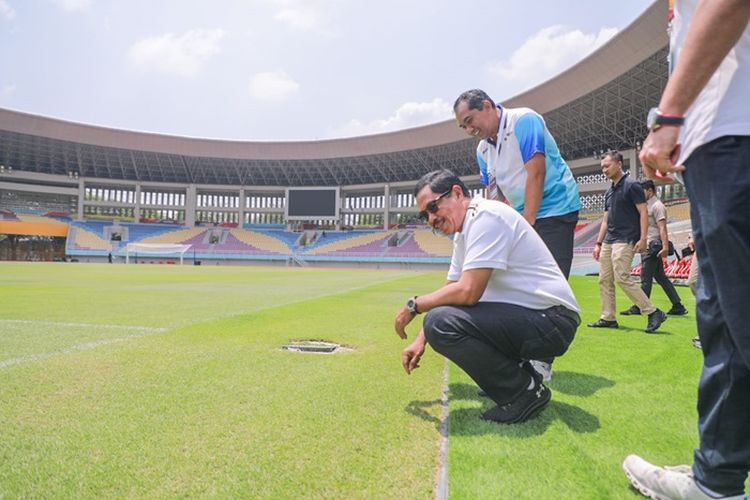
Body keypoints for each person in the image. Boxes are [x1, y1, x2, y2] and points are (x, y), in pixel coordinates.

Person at [622, 1, 750, 498]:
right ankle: (717, 477)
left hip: (734, 138)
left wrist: (668, 116)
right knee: (723, 324)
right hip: (717, 143)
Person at [394, 169, 580, 424]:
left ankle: (523, 392)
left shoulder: (486, 216)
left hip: (553, 322)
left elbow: (468, 292)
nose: (431, 219)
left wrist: (414, 306)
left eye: (433, 207)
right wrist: (420, 340)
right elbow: (451, 289)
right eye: (425, 214)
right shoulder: (465, 232)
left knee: (440, 322)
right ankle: (522, 377)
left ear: (457, 193)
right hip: (538, 318)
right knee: (439, 319)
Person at [453, 89, 581, 280]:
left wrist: (527, 223)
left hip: (556, 208)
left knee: (551, 283)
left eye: (470, 121)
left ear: (487, 106)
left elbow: (536, 173)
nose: (469, 130)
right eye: (463, 127)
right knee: (520, 283)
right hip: (521, 215)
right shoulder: (482, 150)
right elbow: (494, 194)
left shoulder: (524, 120)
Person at [588, 151, 668, 333]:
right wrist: (598, 243)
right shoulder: (609, 192)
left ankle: (653, 312)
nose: (604, 170)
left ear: (619, 164)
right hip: (609, 240)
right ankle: (608, 317)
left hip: (626, 239)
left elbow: (642, 213)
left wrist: (643, 238)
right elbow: (606, 220)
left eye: (607, 166)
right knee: (604, 279)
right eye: (602, 167)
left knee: (621, 276)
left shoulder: (632, 186)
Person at [620, 180, 688, 317]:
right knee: (661, 278)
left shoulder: (657, 206)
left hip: (652, 246)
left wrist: (664, 247)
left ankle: (640, 306)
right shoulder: (647, 205)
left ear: (650, 191)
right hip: (650, 245)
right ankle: (678, 305)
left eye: (642, 191)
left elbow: (662, 228)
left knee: (645, 277)